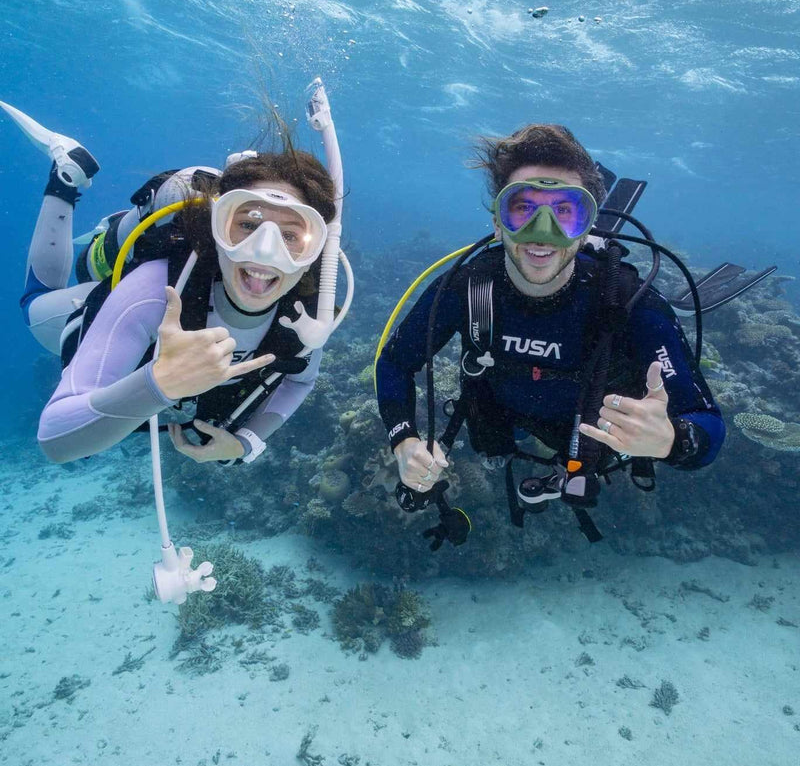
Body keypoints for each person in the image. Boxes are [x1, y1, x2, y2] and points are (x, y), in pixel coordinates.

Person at [374, 123, 725, 546]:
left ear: (587, 226)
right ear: (498, 223)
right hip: (506, 418)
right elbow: (395, 362)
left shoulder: (631, 304)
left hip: (590, 435)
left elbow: (708, 425)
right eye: (523, 208)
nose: (543, 231)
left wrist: (672, 440)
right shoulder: (468, 288)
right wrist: (404, 440)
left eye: (565, 211)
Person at [5, 99, 340, 466]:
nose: (264, 252)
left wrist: (245, 444)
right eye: (246, 225)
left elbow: (300, 380)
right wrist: (160, 383)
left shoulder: (307, 314)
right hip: (101, 308)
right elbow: (54, 440)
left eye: (290, 236)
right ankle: (66, 179)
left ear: (316, 250)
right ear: (217, 227)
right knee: (35, 304)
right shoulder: (156, 290)